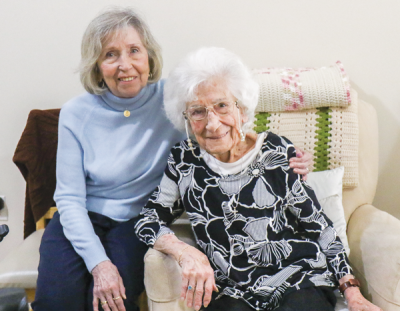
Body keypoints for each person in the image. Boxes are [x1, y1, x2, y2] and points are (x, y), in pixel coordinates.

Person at [32, 7, 311, 311]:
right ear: (97, 66)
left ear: (149, 57)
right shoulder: (76, 113)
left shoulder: (173, 98)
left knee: (111, 305)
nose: (125, 64)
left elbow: (225, 127)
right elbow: (70, 199)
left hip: (134, 221)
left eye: (134, 50)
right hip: (79, 218)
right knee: (56, 302)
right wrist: (100, 265)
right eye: (110, 55)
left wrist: (283, 157)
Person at [134, 47, 382, 311]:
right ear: (185, 118)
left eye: (221, 106)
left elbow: (319, 226)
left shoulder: (275, 151)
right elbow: (148, 220)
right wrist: (185, 253)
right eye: (198, 111)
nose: (213, 123)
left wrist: (351, 290)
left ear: (241, 110)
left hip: (297, 276)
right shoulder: (184, 161)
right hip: (231, 290)